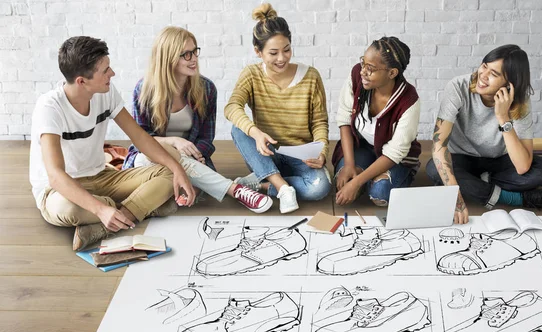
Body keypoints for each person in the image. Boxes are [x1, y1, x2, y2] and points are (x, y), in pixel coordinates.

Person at [29, 36, 195, 252]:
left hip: (102, 177)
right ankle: (139, 207)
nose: (112, 74)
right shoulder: (49, 108)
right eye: (105, 70)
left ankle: (107, 224)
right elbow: (56, 176)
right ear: (82, 81)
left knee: (169, 172)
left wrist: (177, 169)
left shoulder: (105, 93)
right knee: (67, 208)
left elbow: (140, 137)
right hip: (59, 190)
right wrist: (100, 209)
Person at [123, 27, 272, 213]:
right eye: (186, 54)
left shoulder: (207, 89)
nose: (193, 58)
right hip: (150, 158)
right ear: (168, 57)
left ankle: (167, 196)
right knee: (153, 160)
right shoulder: (144, 90)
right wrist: (174, 142)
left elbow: (206, 139)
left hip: (193, 161)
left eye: (194, 51)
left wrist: (195, 155)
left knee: (181, 196)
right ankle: (235, 190)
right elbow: (140, 139)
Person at [426, 44, 542, 224]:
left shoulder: (520, 101)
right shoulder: (458, 87)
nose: (483, 76)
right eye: (484, 66)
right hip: (461, 157)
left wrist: (503, 117)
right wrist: (455, 199)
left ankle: (475, 184)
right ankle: (515, 199)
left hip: (499, 161)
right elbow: (439, 145)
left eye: (494, 74)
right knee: (434, 168)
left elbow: (522, 166)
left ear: (510, 83)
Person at [224, 3, 331, 214]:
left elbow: (320, 122)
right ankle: (282, 188)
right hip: (266, 153)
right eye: (273, 53)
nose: (282, 58)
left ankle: (262, 184)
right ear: (258, 52)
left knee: (320, 188)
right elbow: (232, 107)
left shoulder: (311, 76)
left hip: (301, 155)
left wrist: (322, 152)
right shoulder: (252, 75)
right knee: (239, 129)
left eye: (287, 50)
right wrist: (255, 133)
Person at [333, 36, 421, 206]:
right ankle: (366, 172)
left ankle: (385, 176)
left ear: (392, 73)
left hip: (392, 157)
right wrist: (350, 165)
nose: (362, 71)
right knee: (341, 181)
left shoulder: (408, 100)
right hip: (363, 146)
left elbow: (395, 153)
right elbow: (344, 119)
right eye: (363, 63)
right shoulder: (357, 78)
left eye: (370, 68)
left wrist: (356, 182)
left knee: (380, 196)